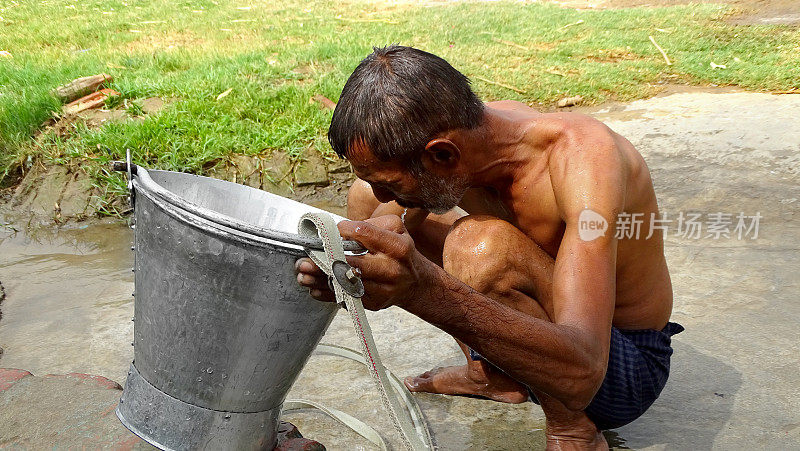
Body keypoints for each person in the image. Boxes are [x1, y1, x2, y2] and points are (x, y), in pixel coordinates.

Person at [295, 45, 682, 450]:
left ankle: (572, 429)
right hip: (546, 334)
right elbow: (380, 218)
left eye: (390, 181)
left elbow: (584, 368)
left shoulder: (585, 163)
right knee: (364, 203)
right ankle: (491, 374)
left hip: (617, 368)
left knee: (480, 247)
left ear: (442, 154)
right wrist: (352, 264)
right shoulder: (477, 133)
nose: (384, 193)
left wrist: (421, 290)